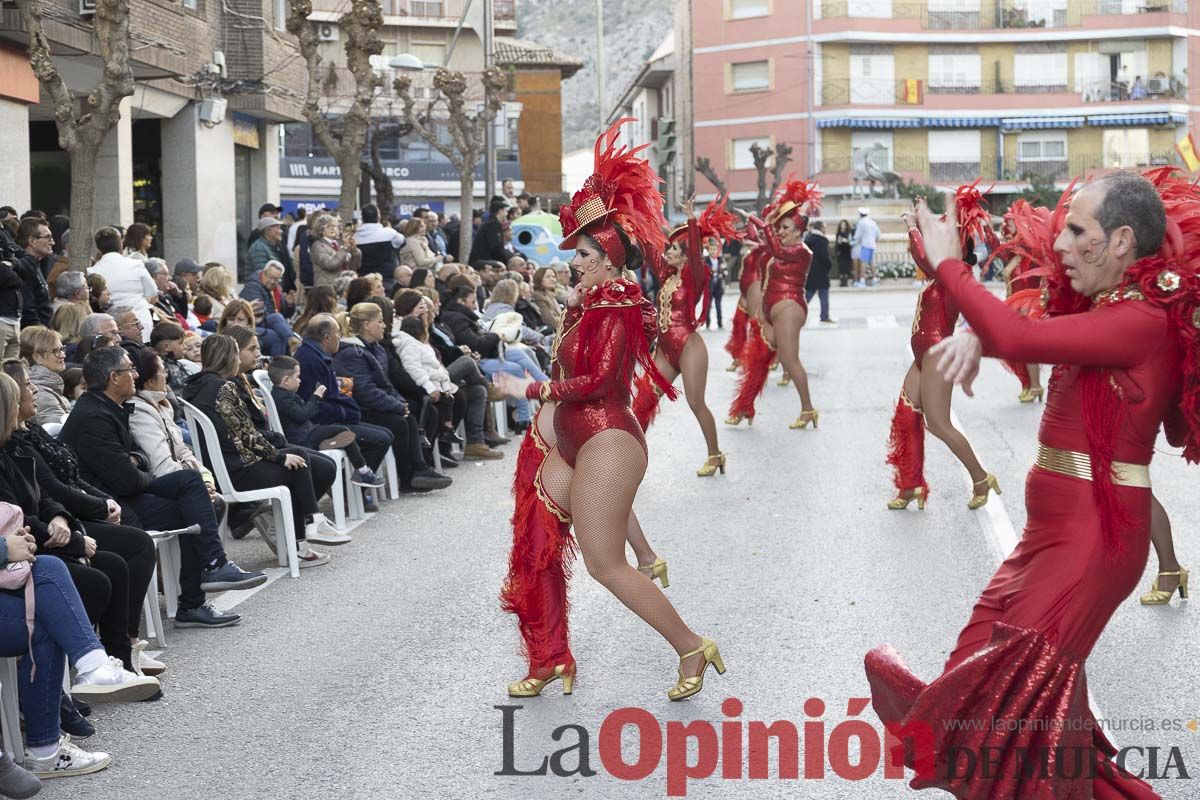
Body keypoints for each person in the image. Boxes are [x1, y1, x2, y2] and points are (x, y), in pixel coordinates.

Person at [865, 171, 1187, 799]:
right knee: (983, 698)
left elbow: (1021, 337)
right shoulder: (1105, 309)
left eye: (1077, 229)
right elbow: (1025, 323)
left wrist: (953, 269)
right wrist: (971, 333)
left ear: (1121, 241)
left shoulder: (1144, 322)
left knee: (1006, 718)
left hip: (1094, 542)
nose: (1061, 244)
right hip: (1048, 536)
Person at [496, 120, 723, 701]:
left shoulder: (621, 303)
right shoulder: (591, 300)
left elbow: (598, 383)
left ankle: (692, 645)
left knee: (603, 564)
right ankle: (549, 657)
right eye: (575, 253)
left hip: (607, 439)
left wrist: (533, 393)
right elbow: (571, 363)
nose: (573, 260)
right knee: (538, 543)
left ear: (607, 259)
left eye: (583, 254)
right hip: (571, 443)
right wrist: (571, 312)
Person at [61, 346, 266, 626]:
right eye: (129, 369)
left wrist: (135, 463)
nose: (135, 375)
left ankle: (211, 570)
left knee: (193, 485)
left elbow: (140, 460)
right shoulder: (93, 417)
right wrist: (136, 465)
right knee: (194, 505)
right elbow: (128, 479)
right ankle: (198, 593)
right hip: (109, 506)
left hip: (123, 492)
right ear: (113, 377)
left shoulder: (111, 407)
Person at [885, 183, 999, 512]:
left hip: (937, 353)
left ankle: (980, 477)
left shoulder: (956, 271)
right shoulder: (944, 271)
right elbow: (921, 255)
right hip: (923, 355)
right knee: (906, 416)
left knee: (938, 423)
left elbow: (923, 253)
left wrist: (911, 225)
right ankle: (910, 484)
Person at [181, 333, 340, 565]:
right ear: (229, 357)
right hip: (238, 467)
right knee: (298, 464)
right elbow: (246, 435)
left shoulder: (197, 385)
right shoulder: (223, 387)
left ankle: (306, 530)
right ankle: (302, 539)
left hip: (227, 463)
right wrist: (277, 456)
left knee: (302, 459)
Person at [631, 195, 735, 477]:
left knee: (695, 402)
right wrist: (639, 216)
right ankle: (626, 458)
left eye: (674, 248)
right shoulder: (666, 276)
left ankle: (715, 455)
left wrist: (691, 220)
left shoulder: (694, 277)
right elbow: (650, 249)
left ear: (686, 253)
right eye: (669, 248)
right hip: (665, 350)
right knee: (643, 402)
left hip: (689, 347)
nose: (668, 252)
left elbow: (698, 257)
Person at [731, 179, 821, 429]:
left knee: (791, 361)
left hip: (789, 309)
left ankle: (807, 409)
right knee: (759, 358)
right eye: (779, 228)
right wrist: (760, 221)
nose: (780, 232)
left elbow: (777, 251)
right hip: (773, 310)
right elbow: (765, 247)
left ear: (798, 232)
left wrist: (761, 222)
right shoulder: (780, 248)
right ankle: (744, 406)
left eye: (785, 228)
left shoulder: (802, 251)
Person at [331, 305, 451, 491]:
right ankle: (408, 476)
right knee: (399, 421)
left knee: (408, 415)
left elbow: (386, 383)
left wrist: (398, 402)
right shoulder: (351, 353)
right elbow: (364, 391)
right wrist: (394, 405)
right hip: (359, 409)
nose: (384, 326)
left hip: (376, 404)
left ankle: (418, 471)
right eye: (379, 322)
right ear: (366, 325)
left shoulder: (376, 348)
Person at [268, 355, 386, 487]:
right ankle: (363, 472)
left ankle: (332, 445)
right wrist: (316, 397)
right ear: (286, 380)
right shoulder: (282, 398)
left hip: (308, 433)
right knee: (343, 431)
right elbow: (302, 415)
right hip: (303, 439)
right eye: (297, 377)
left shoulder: (284, 395)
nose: (300, 380)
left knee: (343, 434)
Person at [88, 227, 155, 342]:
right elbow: (153, 293)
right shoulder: (136, 264)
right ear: (121, 244)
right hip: (141, 323)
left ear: (98, 248)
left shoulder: (92, 271)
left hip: (115, 328)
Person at [237, 261, 297, 356]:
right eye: (270, 277)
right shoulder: (252, 287)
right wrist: (278, 322)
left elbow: (284, 314)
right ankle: (290, 344)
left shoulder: (276, 289)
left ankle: (285, 357)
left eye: (276, 279)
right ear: (263, 273)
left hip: (264, 323)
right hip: (250, 325)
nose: (272, 281)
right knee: (276, 327)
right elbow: (259, 314)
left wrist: (289, 305)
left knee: (278, 322)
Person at [20, 325, 71, 426]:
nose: (63, 355)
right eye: (56, 351)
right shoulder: (41, 392)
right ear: (38, 358)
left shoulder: (48, 385)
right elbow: (59, 430)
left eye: (62, 349)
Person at [14, 217, 54, 329]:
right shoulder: (24, 267)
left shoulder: (37, 264)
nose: (53, 242)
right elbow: (27, 307)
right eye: (48, 238)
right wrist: (40, 331)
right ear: (32, 241)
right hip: (35, 335)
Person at [355, 203, 404, 283]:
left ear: (362, 218)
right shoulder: (389, 233)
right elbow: (402, 241)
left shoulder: (355, 237)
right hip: (387, 279)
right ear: (379, 216)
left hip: (363, 279)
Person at [310, 215, 361, 289]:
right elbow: (330, 265)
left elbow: (354, 266)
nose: (332, 229)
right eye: (328, 226)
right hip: (327, 288)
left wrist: (354, 250)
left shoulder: (340, 243)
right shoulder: (318, 246)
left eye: (335, 226)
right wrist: (344, 248)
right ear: (321, 230)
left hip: (344, 286)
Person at [803, 220, 836, 325]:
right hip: (821, 272)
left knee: (807, 295)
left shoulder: (807, 239)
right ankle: (824, 316)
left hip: (811, 272)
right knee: (824, 295)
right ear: (821, 228)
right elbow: (825, 256)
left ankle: (798, 311)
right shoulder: (822, 240)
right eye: (824, 227)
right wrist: (829, 265)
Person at [469, 199, 511, 268]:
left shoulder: (489, 223)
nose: (506, 214)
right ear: (500, 211)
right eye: (505, 211)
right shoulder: (494, 224)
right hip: (484, 263)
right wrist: (508, 259)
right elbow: (495, 247)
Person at [528, 266, 563, 332]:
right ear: (539, 279)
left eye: (553, 277)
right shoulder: (538, 296)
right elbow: (549, 320)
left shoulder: (551, 295)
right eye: (548, 277)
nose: (552, 279)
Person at [853, 206, 880, 287]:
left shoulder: (861, 222)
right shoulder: (872, 222)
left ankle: (862, 281)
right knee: (872, 263)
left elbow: (858, 235)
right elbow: (878, 234)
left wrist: (852, 240)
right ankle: (875, 279)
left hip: (865, 245)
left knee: (863, 262)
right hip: (872, 245)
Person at [834, 219, 853, 288]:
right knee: (841, 266)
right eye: (842, 225)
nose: (843, 226)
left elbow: (851, 242)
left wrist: (846, 241)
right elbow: (837, 243)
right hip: (840, 252)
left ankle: (846, 280)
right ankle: (842, 281)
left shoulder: (849, 233)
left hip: (847, 251)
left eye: (844, 225)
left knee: (846, 266)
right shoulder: (838, 233)